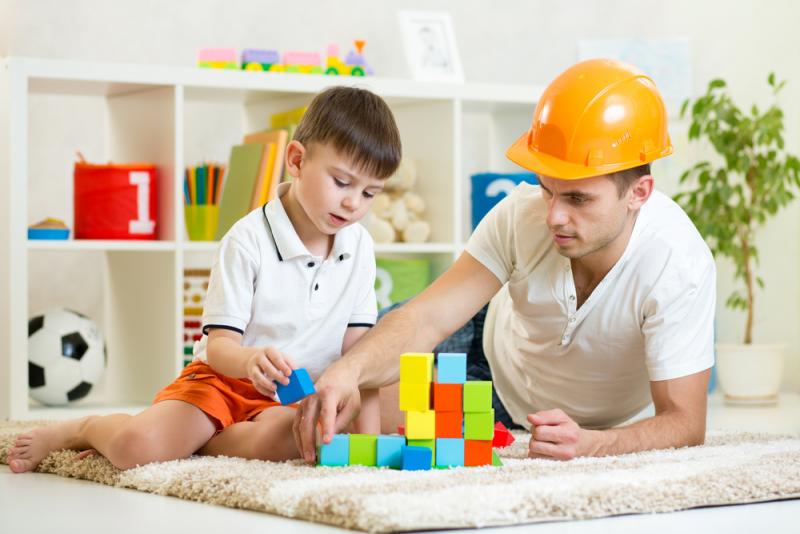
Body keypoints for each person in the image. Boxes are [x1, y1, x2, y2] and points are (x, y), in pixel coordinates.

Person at [294, 59, 716, 462]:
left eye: (578, 198)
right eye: (547, 188)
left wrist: (593, 444)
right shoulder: (522, 213)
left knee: (336, 420)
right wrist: (351, 368)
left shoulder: (678, 263)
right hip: (483, 330)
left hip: (503, 405)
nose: (554, 215)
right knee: (322, 372)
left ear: (639, 193)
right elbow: (426, 320)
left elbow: (685, 422)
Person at [8, 86, 402, 472]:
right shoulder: (248, 240)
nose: (353, 204)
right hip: (223, 380)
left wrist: (367, 447)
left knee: (309, 440)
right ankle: (85, 428)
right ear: (296, 161)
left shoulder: (360, 247)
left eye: (370, 193)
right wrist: (250, 360)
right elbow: (220, 349)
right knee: (136, 448)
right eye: (342, 182)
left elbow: (359, 358)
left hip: (292, 398)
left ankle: (203, 442)